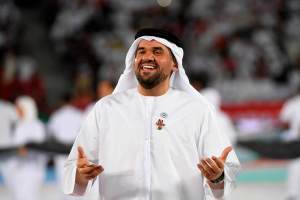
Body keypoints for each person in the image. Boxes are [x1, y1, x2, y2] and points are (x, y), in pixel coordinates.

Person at [63, 28, 240, 200]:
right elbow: (75, 171)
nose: (147, 57)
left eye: (157, 51)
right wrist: (80, 174)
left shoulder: (197, 110)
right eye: (141, 51)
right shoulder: (106, 109)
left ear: (175, 64)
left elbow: (225, 175)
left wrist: (217, 177)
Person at [4, 96, 46, 200]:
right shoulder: (19, 126)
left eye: (19, 108)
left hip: (31, 170)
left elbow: (40, 148)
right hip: (17, 170)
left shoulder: (37, 125)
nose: (16, 111)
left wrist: (25, 149)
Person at [47, 93, 84, 200]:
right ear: (73, 101)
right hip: (75, 154)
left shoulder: (56, 116)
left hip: (60, 155)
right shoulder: (79, 115)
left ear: (61, 102)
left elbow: (50, 135)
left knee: (62, 184)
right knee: (75, 185)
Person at [280, 86, 300, 200]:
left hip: (294, 140)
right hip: (295, 141)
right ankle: (293, 194)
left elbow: (284, 122)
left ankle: (293, 194)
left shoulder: (292, 104)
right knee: (295, 166)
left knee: (294, 167)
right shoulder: (292, 104)